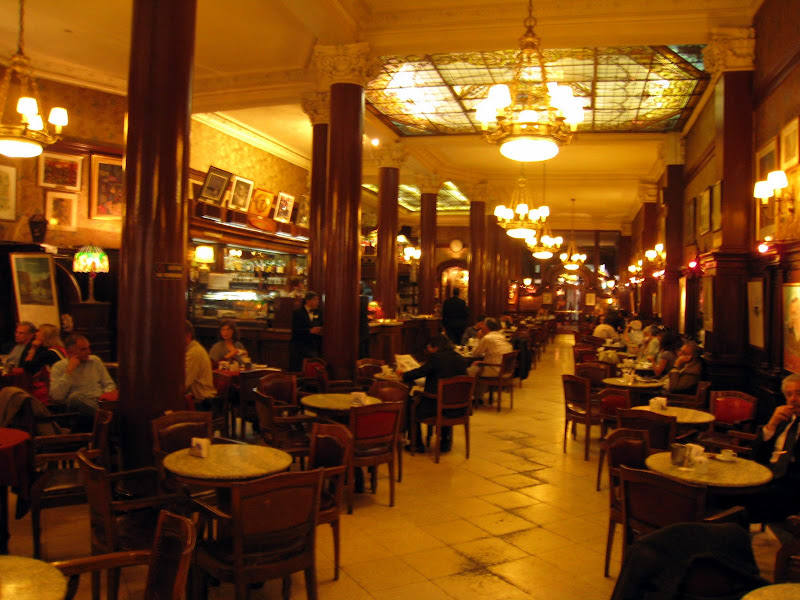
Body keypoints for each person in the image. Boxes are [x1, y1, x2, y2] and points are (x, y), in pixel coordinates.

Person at [718, 374, 800, 523]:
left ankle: (735, 527)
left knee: (744, 503)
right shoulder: (782, 420)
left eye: (798, 393)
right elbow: (755, 453)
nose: (793, 399)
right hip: (762, 472)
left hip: (789, 484)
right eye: (789, 395)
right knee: (721, 488)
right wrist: (771, 425)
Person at [397, 334, 468, 453]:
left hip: (435, 406)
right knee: (447, 396)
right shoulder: (461, 359)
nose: (428, 350)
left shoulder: (437, 358)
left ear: (436, 347)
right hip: (459, 407)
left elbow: (420, 372)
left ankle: (417, 443)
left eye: (429, 347)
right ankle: (445, 442)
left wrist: (403, 375)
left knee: (410, 404)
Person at [49, 334, 116, 416]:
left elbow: (109, 384)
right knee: (76, 397)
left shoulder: (95, 361)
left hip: (99, 401)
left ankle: (104, 416)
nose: (89, 352)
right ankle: (106, 416)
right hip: (78, 408)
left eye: (88, 348)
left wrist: (103, 397)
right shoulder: (59, 367)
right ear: (70, 352)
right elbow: (56, 396)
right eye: (83, 349)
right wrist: (69, 372)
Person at [468, 318, 513, 395]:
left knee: (470, 370)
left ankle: (470, 397)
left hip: (495, 370)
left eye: (483, 325)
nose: (481, 327)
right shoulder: (501, 336)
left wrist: (478, 338)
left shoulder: (488, 338)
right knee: (478, 365)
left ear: (487, 327)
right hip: (505, 369)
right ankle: (479, 396)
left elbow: (475, 354)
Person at [185, 320, 216, 408]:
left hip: (202, 402)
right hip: (198, 399)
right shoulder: (191, 349)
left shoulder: (194, 352)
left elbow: (183, 383)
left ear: (188, 335)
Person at [290, 291, 323, 372]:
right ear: (308, 300)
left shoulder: (319, 312)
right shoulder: (298, 313)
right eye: (315, 300)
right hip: (301, 346)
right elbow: (295, 330)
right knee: (299, 369)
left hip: (314, 345)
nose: (317, 302)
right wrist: (309, 331)